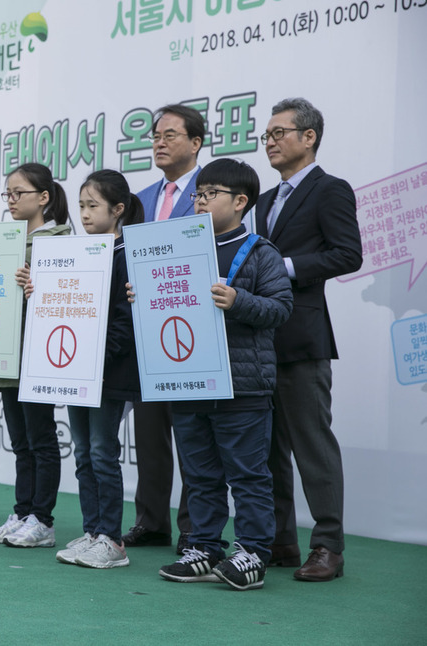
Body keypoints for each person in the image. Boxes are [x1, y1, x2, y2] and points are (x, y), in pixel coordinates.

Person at [147, 158, 292, 590]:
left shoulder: (260, 251)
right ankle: (205, 546)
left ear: (240, 201)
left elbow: (282, 309)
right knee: (200, 475)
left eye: (210, 194)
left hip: (242, 385)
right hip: (187, 379)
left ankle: (252, 552)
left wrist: (238, 300)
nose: (200, 201)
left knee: (247, 474)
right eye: (198, 194)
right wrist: (144, 292)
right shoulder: (178, 246)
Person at [257, 97, 362, 582]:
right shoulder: (260, 201)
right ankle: (280, 541)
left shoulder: (330, 190)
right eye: (268, 135)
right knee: (267, 448)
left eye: (281, 132)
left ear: (309, 137)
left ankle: (328, 547)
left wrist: (287, 268)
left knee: (312, 445)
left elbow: (347, 254)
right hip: (256, 340)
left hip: (303, 339)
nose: (271, 141)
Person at [0, 162, 71, 548]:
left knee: (41, 440)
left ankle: (43, 519)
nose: (11, 200)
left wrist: (36, 286)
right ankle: (23, 512)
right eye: (7, 193)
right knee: (21, 442)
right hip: (5, 355)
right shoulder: (2, 240)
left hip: (38, 356)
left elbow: (65, 298)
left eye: (18, 193)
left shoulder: (59, 240)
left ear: (44, 197)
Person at [53, 170, 143, 569]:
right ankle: (93, 532)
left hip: (109, 373)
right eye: (82, 206)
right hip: (75, 371)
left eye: (93, 206)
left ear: (118, 209)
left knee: (104, 452)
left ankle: (113, 540)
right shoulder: (80, 253)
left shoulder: (127, 255)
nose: (85, 214)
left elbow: (125, 322)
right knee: (84, 453)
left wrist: (97, 360)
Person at [124, 103, 203, 554]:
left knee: (192, 435)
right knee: (150, 437)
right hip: (144, 333)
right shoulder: (142, 200)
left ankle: (195, 528)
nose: (158, 141)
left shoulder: (212, 193)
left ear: (195, 143)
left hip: (190, 332)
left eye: (169, 135)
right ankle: (151, 521)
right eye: (155, 135)